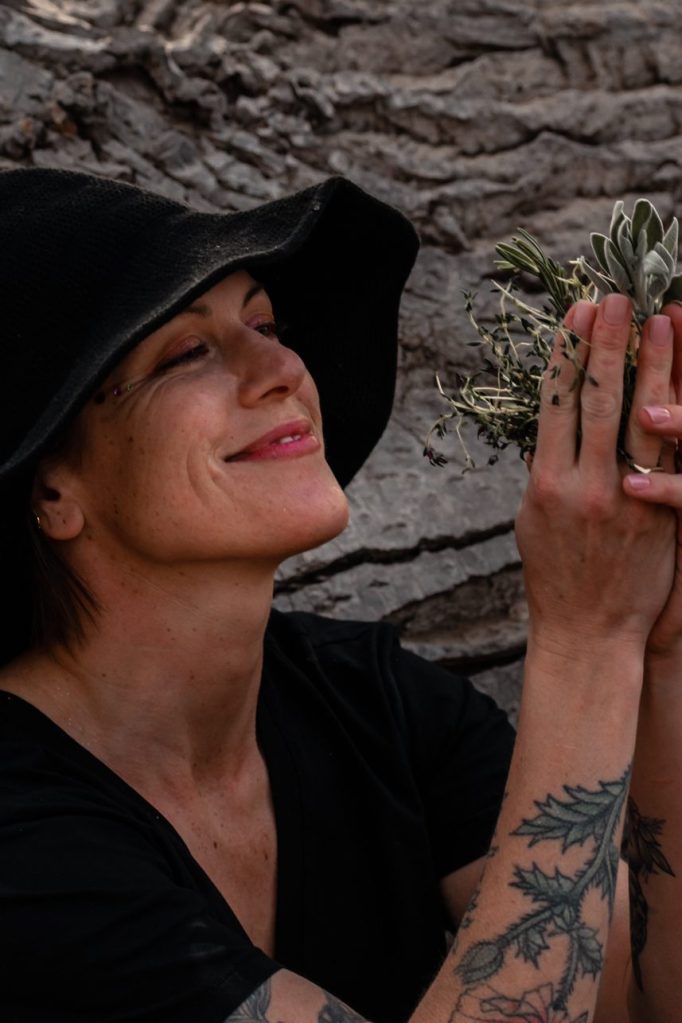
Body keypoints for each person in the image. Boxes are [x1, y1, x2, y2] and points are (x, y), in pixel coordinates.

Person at [0, 168, 680, 1023]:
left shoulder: (378, 702)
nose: (283, 367)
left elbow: (645, 1001)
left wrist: (663, 644)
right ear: (53, 490)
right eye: (186, 352)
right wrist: (589, 638)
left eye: (265, 324)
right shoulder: (21, 838)